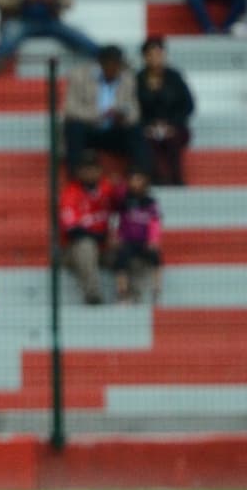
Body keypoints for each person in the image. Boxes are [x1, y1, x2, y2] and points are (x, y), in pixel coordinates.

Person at [62, 45, 147, 175]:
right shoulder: (79, 76)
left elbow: (135, 111)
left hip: (114, 131)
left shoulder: (128, 79)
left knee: (136, 131)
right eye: (111, 64)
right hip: (88, 129)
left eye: (118, 65)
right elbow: (70, 109)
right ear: (101, 63)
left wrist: (123, 116)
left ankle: (140, 177)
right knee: (73, 128)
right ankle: (75, 177)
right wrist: (100, 114)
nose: (114, 69)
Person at [58, 154, 123, 305]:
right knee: (85, 246)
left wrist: (120, 188)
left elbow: (125, 205)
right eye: (86, 170)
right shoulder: (70, 193)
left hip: (105, 249)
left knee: (129, 248)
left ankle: (130, 297)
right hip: (73, 251)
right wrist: (101, 236)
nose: (90, 173)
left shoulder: (107, 188)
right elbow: (73, 231)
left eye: (93, 169)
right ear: (78, 172)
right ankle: (93, 296)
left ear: (100, 171)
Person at [136, 36, 195, 186]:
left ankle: (177, 179)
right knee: (145, 142)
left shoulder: (175, 77)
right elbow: (134, 108)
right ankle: (155, 179)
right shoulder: (137, 79)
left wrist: (172, 125)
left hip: (174, 126)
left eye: (159, 54)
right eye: (151, 55)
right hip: (147, 127)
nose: (156, 58)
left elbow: (188, 105)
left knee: (173, 140)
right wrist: (148, 126)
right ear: (144, 57)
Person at [111, 169, 162, 305]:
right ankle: (122, 293)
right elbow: (116, 219)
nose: (135, 183)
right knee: (121, 258)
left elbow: (155, 223)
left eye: (139, 179)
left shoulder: (150, 203)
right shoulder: (124, 202)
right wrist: (117, 237)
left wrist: (153, 240)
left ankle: (156, 291)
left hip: (145, 241)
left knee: (155, 256)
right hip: (127, 241)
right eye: (133, 179)